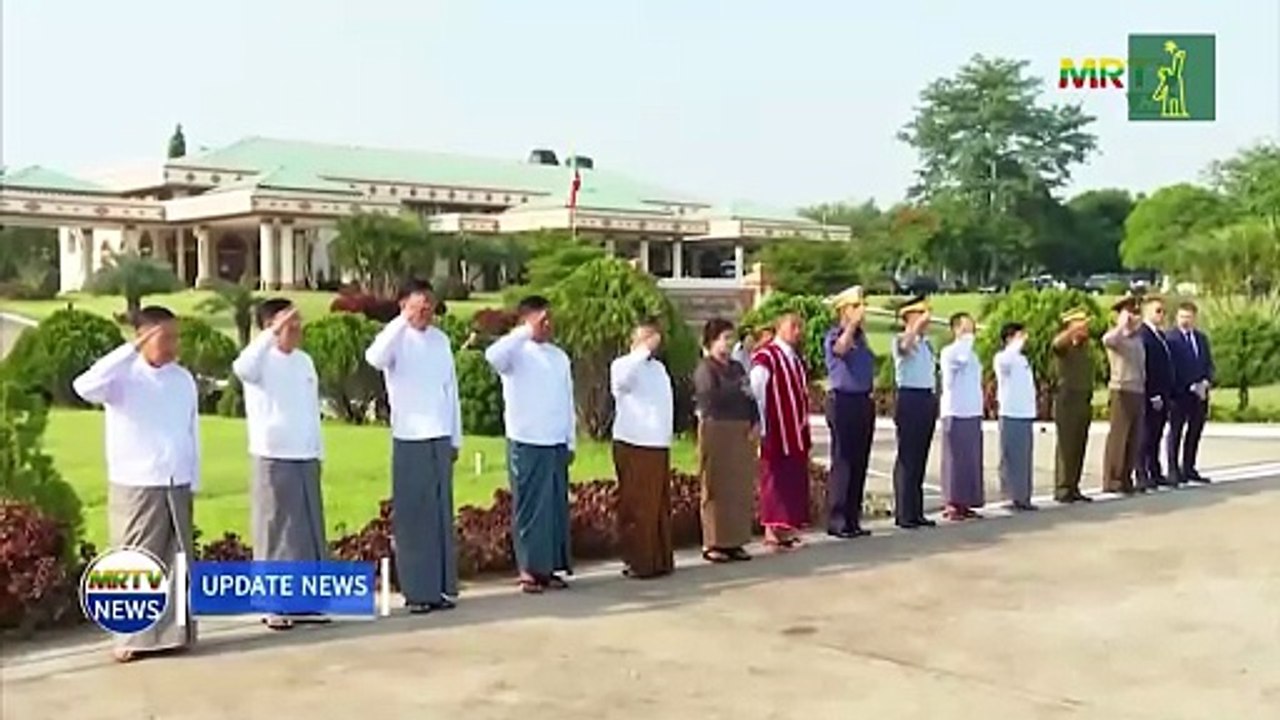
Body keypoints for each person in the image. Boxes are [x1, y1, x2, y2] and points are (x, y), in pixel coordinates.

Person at [73, 306, 198, 663]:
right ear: (143, 337)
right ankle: (129, 638)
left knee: (177, 562)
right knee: (135, 560)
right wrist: (130, 350)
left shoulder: (182, 379)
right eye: (165, 338)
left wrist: (193, 476)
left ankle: (175, 634)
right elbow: (83, 386)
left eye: (175, 337)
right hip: (137, 481)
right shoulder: (121, 378)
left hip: (177, 479)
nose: (173, 345)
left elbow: (191, 430)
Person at [364, 279, 461, 613]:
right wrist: (402, 320)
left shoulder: (440, 340)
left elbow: (451, 391)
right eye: (419, 306)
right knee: (414, 518)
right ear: (404, 305)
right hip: (410, 437)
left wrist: (455, 437)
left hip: (439, 436)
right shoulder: (395, 338)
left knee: (439, 516)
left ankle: (440, 588)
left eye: (429, 305)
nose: (425, 311)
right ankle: (418, 591)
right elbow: (374, 358)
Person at [233, 298, 327, 630]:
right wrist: (271, 332)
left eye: (298, 322)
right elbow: (242, 368)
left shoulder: (304, 361)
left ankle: (305, 602)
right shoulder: (259, 362)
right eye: (289, 323)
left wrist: (318, 451)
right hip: (272, 455)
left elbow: (311, 410)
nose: (296, 328)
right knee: (274, 531)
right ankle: (272, 603)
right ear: (270, 327)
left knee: (306, 533)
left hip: (305, 454)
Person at [485, 295, 575, 593]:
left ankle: (549, 568)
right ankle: (529, 569)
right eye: (541, 320)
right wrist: (525, 330)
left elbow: (567, 399)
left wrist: (570, 440)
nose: (547, 325)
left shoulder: (559, 357)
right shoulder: (515, 352)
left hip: (555, 440)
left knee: (554, 508)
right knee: (529, 508)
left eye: (550, 320)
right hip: (526, 440)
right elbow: (492, 356)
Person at [609, 318, 675, 579]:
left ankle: (659, 558)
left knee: (658, 506)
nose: (652, 343)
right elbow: (621, 383)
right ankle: (638, 561)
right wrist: (643, 350)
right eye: (645, 337)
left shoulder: (658, 369)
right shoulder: (623, 365)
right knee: (637, 506)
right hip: (634, 442)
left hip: (658, 443)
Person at [692, 319, 758, 563]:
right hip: (716, 429)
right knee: (715, 487)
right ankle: (713, 542)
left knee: (738, 487)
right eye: (724, 338)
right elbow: (710, 399)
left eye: (732, 338)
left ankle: (735, 541)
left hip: (740, 431)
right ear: (712, 341)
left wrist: (755, 420)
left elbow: (749, 395)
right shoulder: (706, 368)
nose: (729, 344)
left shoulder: (737, 368)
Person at [748, 312, 812, 550]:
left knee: (792, 478)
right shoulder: (767, 357)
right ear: (779, 328)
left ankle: (787, 529)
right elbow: (757, 391)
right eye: (792, 326)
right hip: (776, 429)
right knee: (774, 479)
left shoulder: (794, 358)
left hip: (795, 429)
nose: (797, 331)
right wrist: (760, 425)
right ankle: (772, 530)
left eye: (799, 327)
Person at [822, 285, 875, 539]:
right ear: (843, 310)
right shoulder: (835, 335)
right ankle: (838, 519)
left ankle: (853, 519)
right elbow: (840, 350)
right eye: (855, 307)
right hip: (842, 401)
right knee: (843, 460)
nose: (860, 312)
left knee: (859, 460)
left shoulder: (862, 338)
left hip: (863, 400)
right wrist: (851, 325)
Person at [891, 296, 939, 529]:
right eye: (920, 315)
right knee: (908, 456)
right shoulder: (901, 339)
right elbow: (904, 348)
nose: (925, 320)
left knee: (920, 457)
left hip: (926, 398)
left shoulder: (927, 343)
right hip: (909, 397)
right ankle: (904, 512)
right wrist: (916, 327)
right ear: (909, 317)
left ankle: (916, 511)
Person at [939, 312, 984, 521]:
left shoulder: (973, 355)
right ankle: (952, 502)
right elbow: (956, 368)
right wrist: (965, 342)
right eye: (965, 328)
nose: (970, 333)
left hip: (972, 410)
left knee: (970, 458)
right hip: (955, 410)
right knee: (954, 459)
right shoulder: (949, 352)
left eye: (971, 328)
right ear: (956, 330)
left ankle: (966, 501)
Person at [1166, 301, 1214, 484]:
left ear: (1195, 318)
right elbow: (1170, 367)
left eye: (1188, 317)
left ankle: (1189, 468)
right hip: (1179, 395)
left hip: (1199, 395)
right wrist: (1187, 385)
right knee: (1176, 432)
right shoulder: (1170, 339)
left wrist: (1206, 381)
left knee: (1194, 432)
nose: (1185, 321)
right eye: (1182, 317)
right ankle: (1173, 470)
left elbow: (1208, 364)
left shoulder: (1201, 339)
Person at [1102, 296, 1146, 495]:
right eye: (1130, 313)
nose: (1135, 317)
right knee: (1119, 436)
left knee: (1134, 437)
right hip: (1121, 389)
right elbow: (1107, 341)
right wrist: (1122, 325)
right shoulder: (1117, 337)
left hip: (1138, 390)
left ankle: (1126, 478)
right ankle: (1113, 479)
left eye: (1137, 313)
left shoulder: (1137, 339)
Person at [1051, 308, 1094, 504]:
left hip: (1083, 398)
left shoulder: (1085, 348)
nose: (1085, 328)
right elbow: (1056, 344)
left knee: (1079, 444)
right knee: (1066, 445)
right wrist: (1071, 332)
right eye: (1081, 325)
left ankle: (1074, 486)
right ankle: (1063, 487)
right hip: (1067, 398)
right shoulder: (1064, 346)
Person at [994, 322, 1038, 511]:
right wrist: (1014, 345)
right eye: (1020, 336)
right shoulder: (1002, 357)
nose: (1024, 340)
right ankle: (1010, 497)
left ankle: (1023, 496)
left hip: (1025, 412)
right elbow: (1005, 363)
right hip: (1010, 412)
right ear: (1010, 338)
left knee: (1024, 458)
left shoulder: (1022, 359)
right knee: (1010, 457)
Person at [1137, 295, 1175, 490]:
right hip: (1151, 394)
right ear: (1147, 312)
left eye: (1163, 311)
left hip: (1163, 393)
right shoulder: (1143, 335)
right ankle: (1141, 473)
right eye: (1158, 311)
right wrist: (1152, 393)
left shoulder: (1160, 335)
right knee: (1146, 435)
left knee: (1156, 435)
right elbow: (1146, 368)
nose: (1162, 315)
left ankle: (1155, 471)